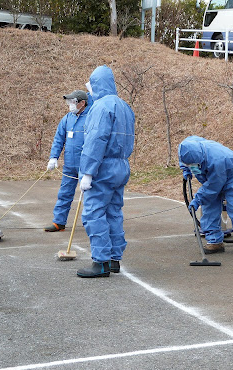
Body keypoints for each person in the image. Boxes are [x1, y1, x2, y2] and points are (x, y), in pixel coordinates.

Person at [76, 65, 135, 278]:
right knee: (114, 212)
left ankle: (100, 262)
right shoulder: (125, 106)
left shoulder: (100, 107)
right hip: (121, 165)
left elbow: (96, 140)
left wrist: (88, 172)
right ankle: (113, 259)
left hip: (103, 167)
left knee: (94, 213)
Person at [178, 135, 233, 257]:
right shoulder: (185, 147)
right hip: (211, 175)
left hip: (232, 174)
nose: (192, 166)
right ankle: (214, 241)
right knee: (209, 206)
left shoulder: (217, 159)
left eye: (193, 164)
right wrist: (186, 168)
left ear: (200, 158)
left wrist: (197, 199)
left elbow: (213, 187)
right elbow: (183, 159)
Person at [44, 90, 90, 232]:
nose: (70, 105)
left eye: (73, 102)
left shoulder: (91, 117)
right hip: (70, 164)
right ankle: (59, 222)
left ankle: (92, 224)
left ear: (82, 103)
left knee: (89, 196)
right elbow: (59, 139)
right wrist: (53, 157)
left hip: (86, 165)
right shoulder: (67, 118)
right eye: (69, 102)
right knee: (64, 193)